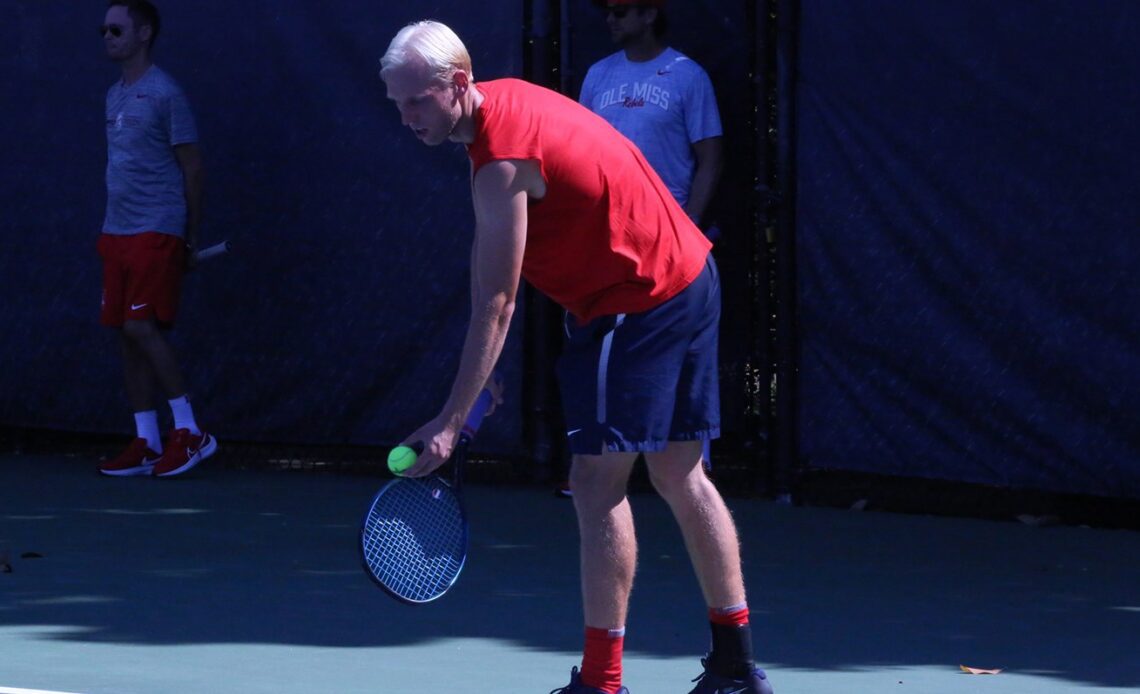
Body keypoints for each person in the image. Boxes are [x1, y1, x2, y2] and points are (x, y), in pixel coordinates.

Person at [379, 20, 772, 694]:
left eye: (416, 100)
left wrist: (450, 421)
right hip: (688, 276)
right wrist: (484, 377)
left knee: (595, 485)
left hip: (639, 298)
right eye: (396, 103)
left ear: (458, 85)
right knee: (682, 472)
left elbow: (497, 300)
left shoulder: (500, 162)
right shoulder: (507, 106)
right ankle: (735, 666)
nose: (405, 117)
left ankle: (601, 682)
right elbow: (496, 277)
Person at [579, 0, 724, 478]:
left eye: (621, 11)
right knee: (599, 355)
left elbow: (710, 159)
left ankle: (691, 469)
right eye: (608, 12)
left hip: (673, 251)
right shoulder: (597, 76)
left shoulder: (688, 76)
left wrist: (687, 227)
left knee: (678, 363)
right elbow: (579, 158)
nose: (611, 20)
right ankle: (596, 465)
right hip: (607, 246)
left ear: (649, 15)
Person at [96, 0, 217, 478]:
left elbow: (193, 167)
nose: (106, 36)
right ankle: (147, 440)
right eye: (103, 30)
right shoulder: (112, 96)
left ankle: (190, 432)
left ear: (143, 34)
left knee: (141, 328)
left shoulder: (166, 93)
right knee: (127, 336)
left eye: (115, 29)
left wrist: (189, 236)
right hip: (116, 230)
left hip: (158, 227)